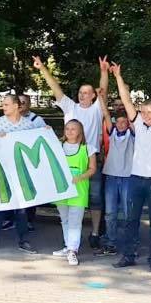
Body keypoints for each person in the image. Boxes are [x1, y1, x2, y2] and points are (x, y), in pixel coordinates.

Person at [34, 55, 108, 250]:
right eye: (81, 92)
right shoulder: (70, 107)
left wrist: (103, 72)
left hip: (90, 158)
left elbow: (104, 90)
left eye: (87, 93)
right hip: (67, 159)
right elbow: (55, 88)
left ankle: (94, 233)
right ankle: (70, 238)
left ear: (93, 96)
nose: (83, 95)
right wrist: (42, 68)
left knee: (94, 198)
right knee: (66, 198)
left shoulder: (96, 109)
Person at [110, 63, 151, 274]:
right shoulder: (137, 123)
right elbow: (126, 100)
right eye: (143, 112)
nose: (146, 115)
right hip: (136, 178)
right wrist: (118, 76)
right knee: (131, 220)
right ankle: (128, 255)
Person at [0, 94, 39, 254]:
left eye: (6, 104)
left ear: (16, 106)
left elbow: (34, 143)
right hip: (1, 171)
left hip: (21, 171)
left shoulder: (28, 125)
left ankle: (23, 239)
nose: (3, 107)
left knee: (22, 207)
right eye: (3, 104)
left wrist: (46, 132)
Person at [52, 120, 97, 266]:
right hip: (61, 189)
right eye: (67, 128)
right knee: (65, 219)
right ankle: (68, 246)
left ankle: (73, 250)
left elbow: (92, 169)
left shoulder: (88, 148)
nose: (69, 131)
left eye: (73, 129)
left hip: (79, 190)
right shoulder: (58, 146)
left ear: (80, 131)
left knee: (75, 221)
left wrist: (80, 177)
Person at [96, 90, 134, 256]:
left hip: (128, 176)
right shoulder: (112, 133)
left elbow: (132, 115)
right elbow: (105, 114)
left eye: (124, 122)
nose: (121, 124)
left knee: (127, 212)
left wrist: (126, 98)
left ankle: (129, 243)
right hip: (111, 175)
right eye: (118, 122)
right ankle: (111, 242)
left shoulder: (132, 134)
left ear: (128, 123)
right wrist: (100, 97)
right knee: (110, 212)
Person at [15, 93, 49, 232]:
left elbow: (44, 137)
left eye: (23, 102)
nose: (20, 105)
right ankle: (12, 219)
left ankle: (29, 220)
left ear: (29, 104)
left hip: (30, 161)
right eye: (18, 102)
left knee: (30, 190)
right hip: (14, 161)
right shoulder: (10, 118)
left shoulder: (37, 120)